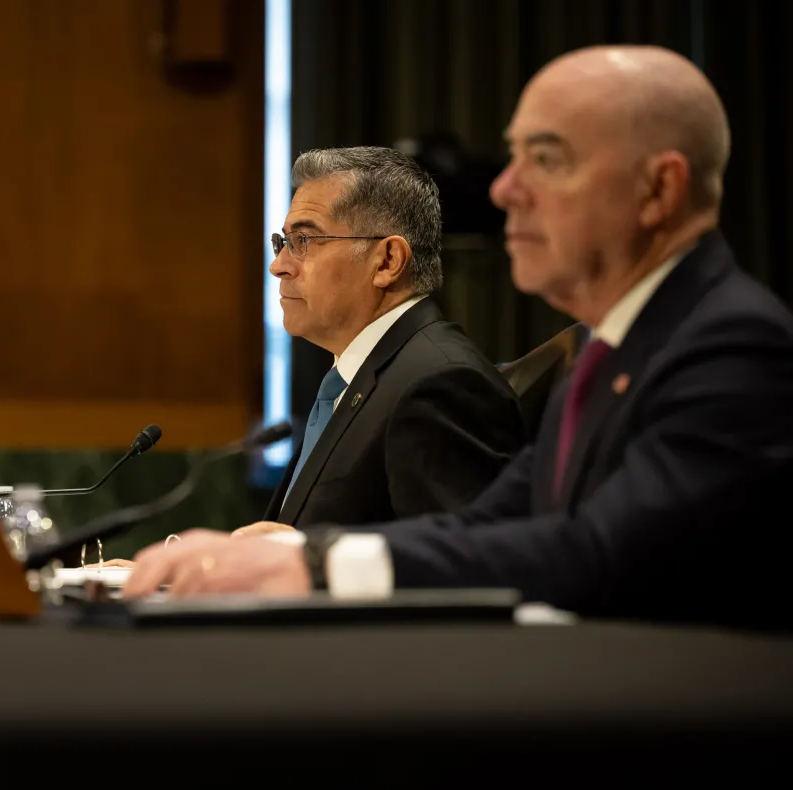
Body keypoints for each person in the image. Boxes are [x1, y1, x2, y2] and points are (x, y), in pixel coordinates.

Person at [124, 45, 793, 630]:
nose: (505, 189)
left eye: (546, 158)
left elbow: (599, 550)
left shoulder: (732, 344)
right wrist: (294, 555)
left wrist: (317, 562)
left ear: (658, 189)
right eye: (512, 157)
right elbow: (490, 526)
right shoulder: (618, 346)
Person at [235, 146, 524, 537]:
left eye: (305, 240)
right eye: (283, 242)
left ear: (387, 261)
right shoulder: (366, 376)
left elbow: (461, 572)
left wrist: (311, 559)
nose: (279, 265)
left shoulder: (439, 383)